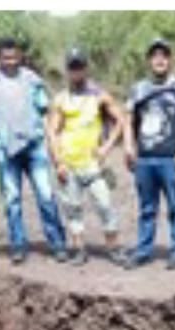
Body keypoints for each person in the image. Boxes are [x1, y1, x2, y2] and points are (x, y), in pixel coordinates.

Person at [0, 37, 68, 265]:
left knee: (46, 196)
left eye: (14, 57)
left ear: (20, 56)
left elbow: (45, 113)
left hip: (34, 146)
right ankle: (18, 245)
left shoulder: (31, 79)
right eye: (5, 58)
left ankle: (57, 243)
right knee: (12, 199)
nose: (10, 62)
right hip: (5, 150)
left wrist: (53, 146)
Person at [124, 38, 175, 270]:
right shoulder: (138, 89)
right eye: (155, 55)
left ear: (170, 60)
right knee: (147, 208)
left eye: (164, 55)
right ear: (149, 60)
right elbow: (127, 118)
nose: (160, 60)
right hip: (145, 159)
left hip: (171, 158)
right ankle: (143, 250)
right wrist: (128, 146)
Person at [46, 47, 127, 266]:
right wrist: (58, 162)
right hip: (69, 163)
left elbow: (121, 119)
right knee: (73, 208)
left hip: (93, 165)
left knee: (105, 205)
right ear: (67, 70)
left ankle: (114, 247)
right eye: (72, 67)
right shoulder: (61, 99)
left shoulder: (99, 96)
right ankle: (78, 248)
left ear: (86, 68)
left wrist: (107, 147)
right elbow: (52, 131)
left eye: (80, 67)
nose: (76, 72)